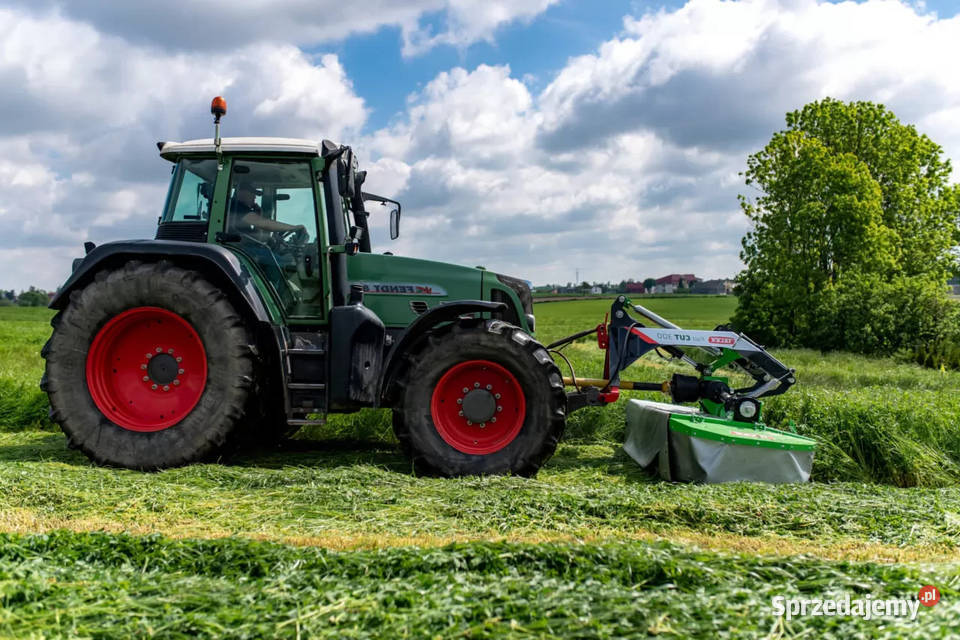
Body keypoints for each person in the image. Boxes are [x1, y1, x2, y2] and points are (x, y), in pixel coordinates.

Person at [230, 182, 306, 236]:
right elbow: (263, 223)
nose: (254, 197)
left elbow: (256, 237)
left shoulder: (240, 209)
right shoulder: (235, 207)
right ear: (241, 192)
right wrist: (293, 228)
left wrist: (258, 213)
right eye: (252, 193)